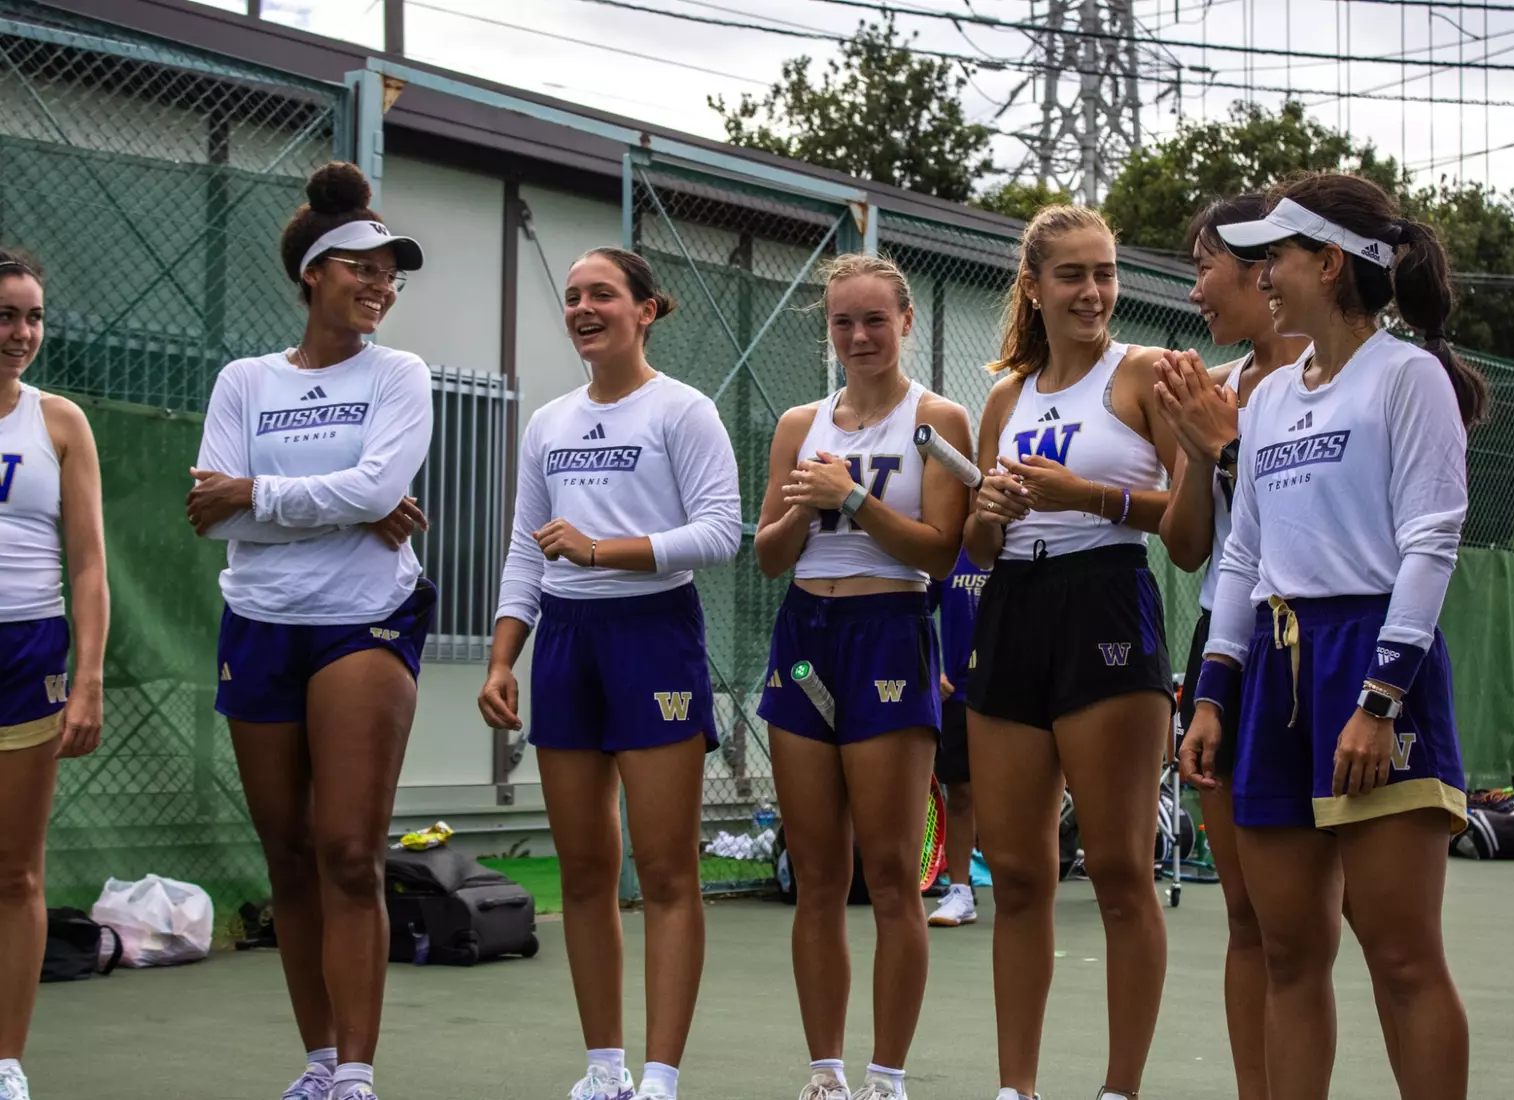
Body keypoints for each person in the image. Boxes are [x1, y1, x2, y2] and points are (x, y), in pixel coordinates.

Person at [1181, 173, 1487, 1100]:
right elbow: (1242, 556)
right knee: (1287, 955)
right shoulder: (1269, 401)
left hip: (1372, 663)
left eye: (1275, 255)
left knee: (1399, 957)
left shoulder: (1409, 377)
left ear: (1328, 261)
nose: (1261, 272)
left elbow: (1432, 542)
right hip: (1275, 669)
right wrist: (1213, 692)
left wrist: (1379, 698)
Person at [187, 162, 435, 1100]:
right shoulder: (244, 381)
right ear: (313, 275)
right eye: (362, 268)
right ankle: (320, 1062)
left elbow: (375, 490)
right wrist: (330, 505)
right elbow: (210, 514)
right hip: (257, 623)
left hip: (362, 624)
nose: (380, 286)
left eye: (389, 274)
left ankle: (359, 1076)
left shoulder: (401, 374)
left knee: (347, 850)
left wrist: (263, 492)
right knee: (286, 852)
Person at [478, 246, 740, 1100]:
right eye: (572, 297)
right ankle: (604, 1069)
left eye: (602, 295)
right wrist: (502, 655)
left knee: (665, 871)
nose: (583, 308)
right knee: (586, 870)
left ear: (645, 310)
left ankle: (660, 1077)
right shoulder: (548, 423)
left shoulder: (683, 410)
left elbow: (718, 533)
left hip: (653, 635)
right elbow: (526, 544)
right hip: (564, 641)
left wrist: (602, 550)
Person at [964, 204, 1179, 1100]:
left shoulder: (1146, 377)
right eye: (1072, 276)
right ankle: (1018, 1087)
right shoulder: (1007, 397)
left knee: (1121, 867)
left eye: (1105, 273)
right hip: (1012, 607)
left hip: (1107, 597)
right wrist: (989, 515)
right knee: (1015, 870)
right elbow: (975, 546)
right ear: (1034, 288)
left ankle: (1118, 1088)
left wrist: (1083, 495)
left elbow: (1194, 521)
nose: (1093, 292)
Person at [754, 253, 971, 1100]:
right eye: (843, 321)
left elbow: (942, 553)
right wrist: (804, 509)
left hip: (889, 634)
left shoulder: (937, 417)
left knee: (889, 873)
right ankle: (826, 1072)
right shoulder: (798, 424)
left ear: (905, 323)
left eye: (875, 320)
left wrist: (852, 500)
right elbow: (769, 557)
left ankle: (886, 1075)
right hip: (806, 639)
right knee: (817, 872)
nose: (859, 336)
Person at [1152, 194, 1311, 1100]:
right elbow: (1184, 546)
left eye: (1205, 267)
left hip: (1321, 637)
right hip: (1227, 643)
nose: (1197, 289)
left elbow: (1316, 526)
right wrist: (1198, 445)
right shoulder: (1212, 385)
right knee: (1248, 916)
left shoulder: (1350, 377)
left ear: (1263, 268)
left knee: (1319, 924)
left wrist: (1231, 447)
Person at [0, 247, 107, 1100]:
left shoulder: (60, 423)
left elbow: (88, 566)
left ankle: (7, 1064)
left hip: (26, 656)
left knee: (17, 871)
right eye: (6, 315)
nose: (22, 333)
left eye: (33, 316)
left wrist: (88, 677)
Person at [926, 549, 989, 929]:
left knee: (1019, 798)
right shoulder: (948, 554)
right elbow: (915, 611)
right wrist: (932, 670)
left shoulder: (1022, 547)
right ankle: (961, 891)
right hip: (960, 697)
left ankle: (1029, 882)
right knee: (961, 794)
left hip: (1012, 696)